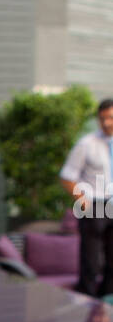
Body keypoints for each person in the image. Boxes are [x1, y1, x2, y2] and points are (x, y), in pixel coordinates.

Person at [59, 97, 113, 297]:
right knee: (90, 262)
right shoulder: (86, 144)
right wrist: (83, 201)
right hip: (94, 205)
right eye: (102, 118)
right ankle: (87, 305)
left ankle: (108, 305)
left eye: (110, 117)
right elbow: (67, 177)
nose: (106, 122)